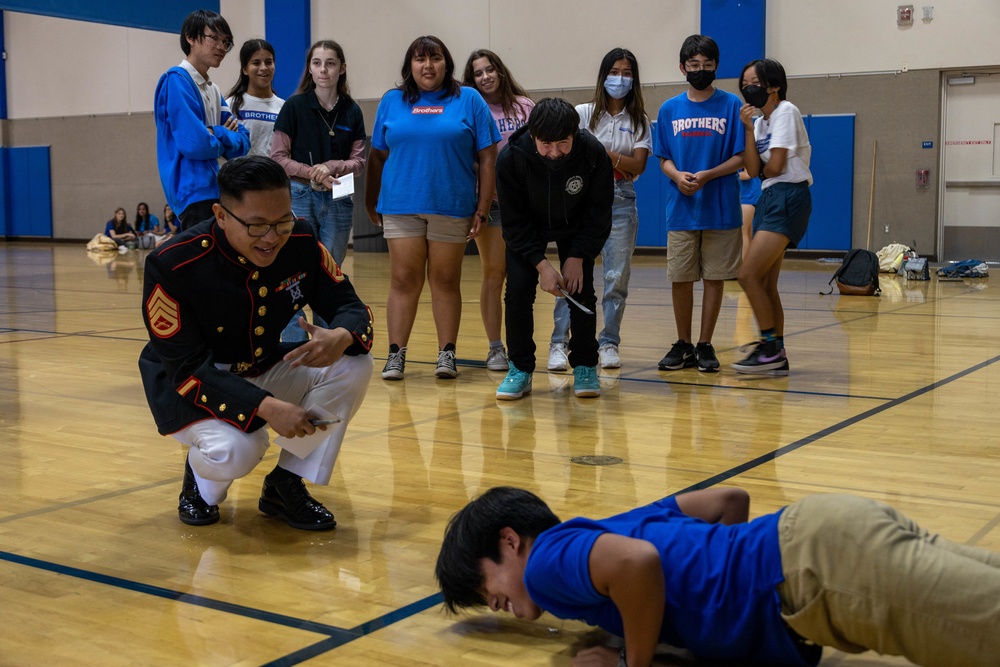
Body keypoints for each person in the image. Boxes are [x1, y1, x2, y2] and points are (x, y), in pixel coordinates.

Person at [437, 486, 1000, 667]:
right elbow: (730, 501)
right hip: (822, 534)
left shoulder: (547, 566)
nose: (493, 604)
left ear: (510, 542)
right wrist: (724, 579)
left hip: (818, 573)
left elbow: (638, 567)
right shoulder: (607, 527)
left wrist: (637, 663)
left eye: (484, 587)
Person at [138, 155, 374, 530]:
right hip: (191, 385)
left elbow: (348, 303)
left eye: (281, 221)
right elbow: (187, 370)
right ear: (220, 215)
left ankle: (286, 483)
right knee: (239, 449)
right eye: (257, 225)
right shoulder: (174, 264)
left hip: (259, 363)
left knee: (354, 364)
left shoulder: (300, 239)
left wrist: (342, 334)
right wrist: (267, 408)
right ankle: (200, 485)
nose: (271, 237)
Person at [365, 35, 500, 381]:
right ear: (410, 65)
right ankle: (396, 354)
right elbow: (378, 156)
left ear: (447, 63)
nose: (428, 66)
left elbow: (487, 157)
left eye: (435, 58)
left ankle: (447, 353)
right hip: (401, 205)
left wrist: (482, 209)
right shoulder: (392, 101)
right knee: (403, 278)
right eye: (420, 59)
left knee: (445, 279)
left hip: (451, 205)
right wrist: (371, 199)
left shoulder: (468, 99)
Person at [494, 98, 612, 400]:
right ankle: (520, 368)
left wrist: (579, 254)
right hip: (529, 226)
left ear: (575, 134)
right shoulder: (510, 158)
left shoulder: (593, 153)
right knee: (518, 290)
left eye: (563, 143)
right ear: (533, 136)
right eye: (547, 144)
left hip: (575, 226)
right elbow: (514, 225)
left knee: (580, 289)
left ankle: (585, 364)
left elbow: (599, 214)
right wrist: (542, 265)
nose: (555, 152)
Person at [549, 48, 651, 372]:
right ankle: (558, 343)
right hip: (580, 199)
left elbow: (640, 165)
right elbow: (568, 155)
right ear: (603, 75)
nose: (619, 78)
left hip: (621, 199)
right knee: (572, 274)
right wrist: (618, 159)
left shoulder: (639, 120)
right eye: (614, 71)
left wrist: (602, 153)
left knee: (615, 277)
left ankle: (608, 342)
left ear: (633, 79)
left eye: (626, 72)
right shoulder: (582, 112)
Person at [654, 35, 744, 373]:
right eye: (694, 66)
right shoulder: (669, 109)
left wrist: (708, 175)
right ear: (682, 68)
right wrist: (677, 176)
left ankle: (705, 344)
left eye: (707, 65)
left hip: (720, 206)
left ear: (716, 66)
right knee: (680, 278)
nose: (701, 70)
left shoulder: (732, 105)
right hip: (681, 207)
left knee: (715, 278)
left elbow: (740, 157)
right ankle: (684, 344)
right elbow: (662, 158)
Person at [272, 40, 367, 344]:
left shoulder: (352, 110)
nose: (323, 70)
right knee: (294, 272)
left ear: (342, 68)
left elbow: (359, 162)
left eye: (330, 63)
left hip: (339, 198)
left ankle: (326, 344)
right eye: (316, 63)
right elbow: (278, 158)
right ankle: (293, 345)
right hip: (299, 196)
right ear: (310, 68)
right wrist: (312, 172)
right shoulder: (294, 106)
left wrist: (330, 166)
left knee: (331, 273)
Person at [733, 59, 812, 376]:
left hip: (788, 196)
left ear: (774, 86)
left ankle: (770, 348)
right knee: (765, 282)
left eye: (753, 82)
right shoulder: (763, 121)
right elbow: (753, 170)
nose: (746, 88)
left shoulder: (786, 112)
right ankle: (774, 349)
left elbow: (777, 167)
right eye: (744, 84)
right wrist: (749, 130)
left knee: (747, 275)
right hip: (769, 195)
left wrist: (764, 167)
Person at [462, 49, 535, 372]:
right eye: (478, 73)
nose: (485, 76)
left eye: (489, 69)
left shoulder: (525, 106)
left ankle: (524, 347)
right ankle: (495, 348)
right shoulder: (471, 109)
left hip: (525, 204)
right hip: (490, 204)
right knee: (494, 274)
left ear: (500, 71)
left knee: (523, 276)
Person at [154, 9, 250, 231]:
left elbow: (242, 144)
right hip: (192, 191)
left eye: (225, 42)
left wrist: (215, 132)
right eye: (213, 38)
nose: (220, 47)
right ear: (190, 37)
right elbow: (195, 144)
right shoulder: (176, 81)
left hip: (215, 188)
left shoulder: (213, 89)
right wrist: (223, 135)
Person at [226, 39, 284, 158]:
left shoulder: (284, 108)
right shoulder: (231, 105)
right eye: (256, 63)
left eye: (268, 62)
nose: (263, 68)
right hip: (239, 174)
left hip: (274, 175)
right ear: (245, 69)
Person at [738, 168, 761, 262]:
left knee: (742, 231)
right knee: (747, 232)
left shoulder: (745, 153)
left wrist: (728, 175)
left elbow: (748, 174)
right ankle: (749, 264)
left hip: (747, 197)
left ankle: (743, 265)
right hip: (750, 196)